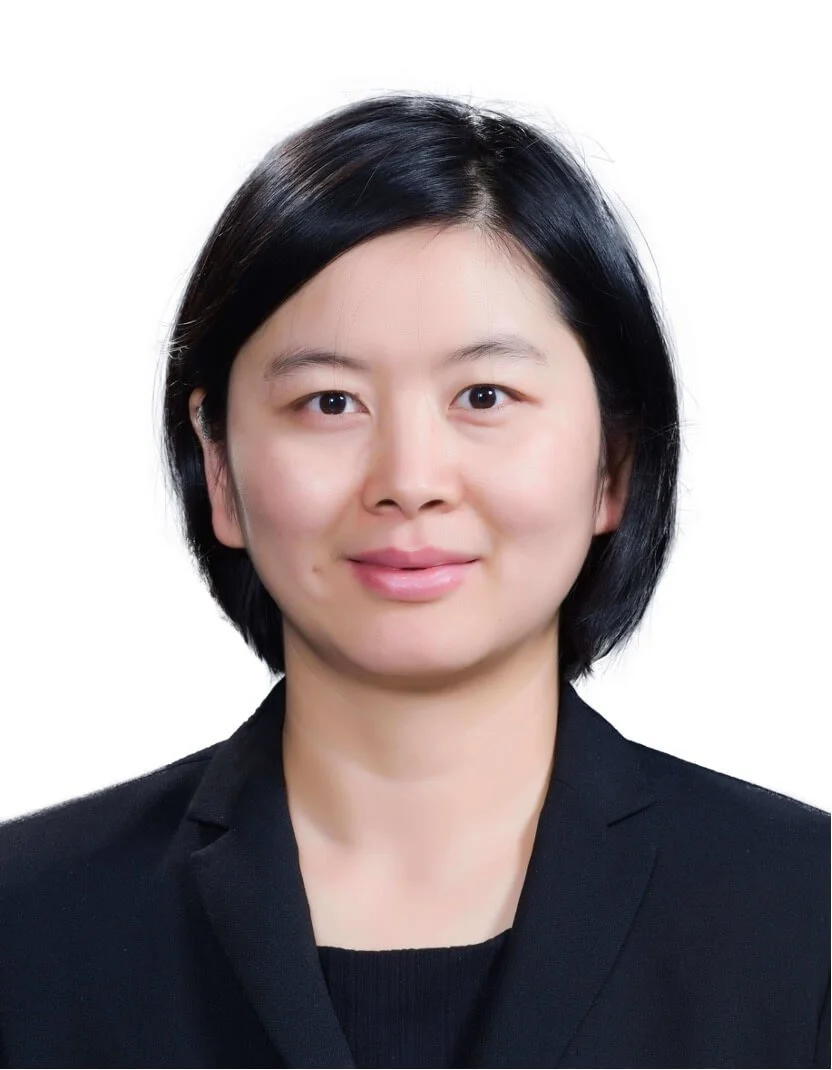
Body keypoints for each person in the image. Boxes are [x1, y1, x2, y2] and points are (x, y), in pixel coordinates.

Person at [0, 92, 828, 1070]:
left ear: (613, 459)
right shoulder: (29, 919)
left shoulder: (804, 911)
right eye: (329, 401)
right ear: (219, 468)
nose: (408, 480)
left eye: (484, 396)